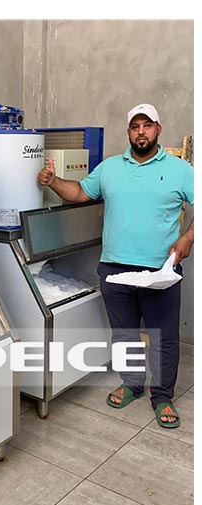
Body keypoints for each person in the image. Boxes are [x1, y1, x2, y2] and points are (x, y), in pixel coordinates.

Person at [38, 103, 194, 428]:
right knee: (124, 334)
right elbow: (80, 193)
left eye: (147, 125)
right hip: (114, 269)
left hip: (160, 272)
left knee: (163, 338)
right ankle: (132, 385)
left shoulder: (180, 170)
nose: (141, 132)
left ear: (158, 129)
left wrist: (188, 238)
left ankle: (162, 396)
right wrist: (54, 181)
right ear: (129, 132)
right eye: (135, 126)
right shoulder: (110, 168)